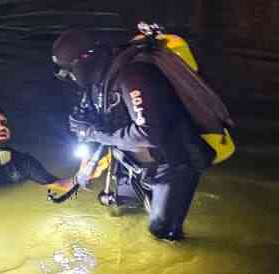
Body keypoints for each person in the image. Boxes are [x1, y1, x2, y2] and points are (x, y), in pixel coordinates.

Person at [50, 27, 219, 241]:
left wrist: (96, 133)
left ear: (85, 59)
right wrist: (77, 178)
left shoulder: (134, 75)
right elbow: (94, 134)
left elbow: (148, 134)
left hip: (173, 163)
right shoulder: (98, 83)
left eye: (69, 69)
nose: (69, 76)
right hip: (133, 161)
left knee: (162, 234)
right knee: (124, 209)